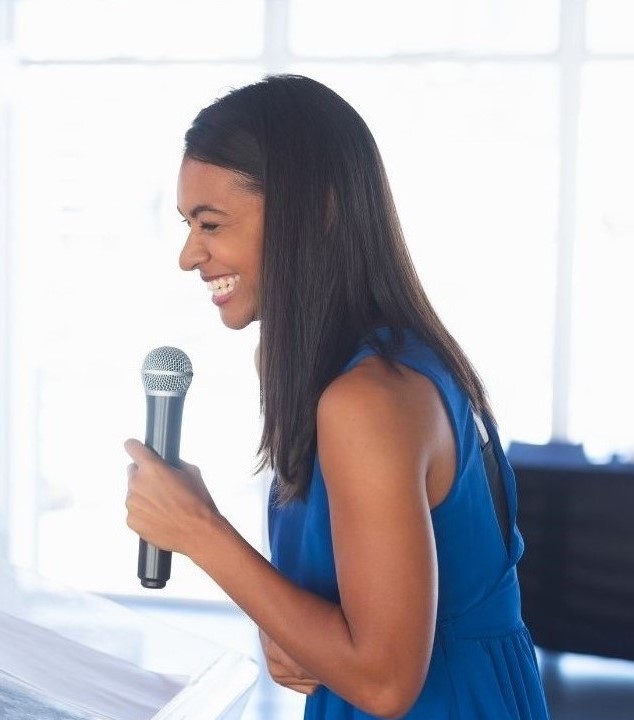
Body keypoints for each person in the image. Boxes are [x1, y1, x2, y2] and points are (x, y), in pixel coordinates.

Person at [125, 74, 550, 719]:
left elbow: (384, 683)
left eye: (210, 224)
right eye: (189, 225)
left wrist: (198, 530)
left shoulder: (368, 400)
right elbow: (362, 628)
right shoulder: (367, 368)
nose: (190, 256)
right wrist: (297, 630)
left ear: (315, 209)